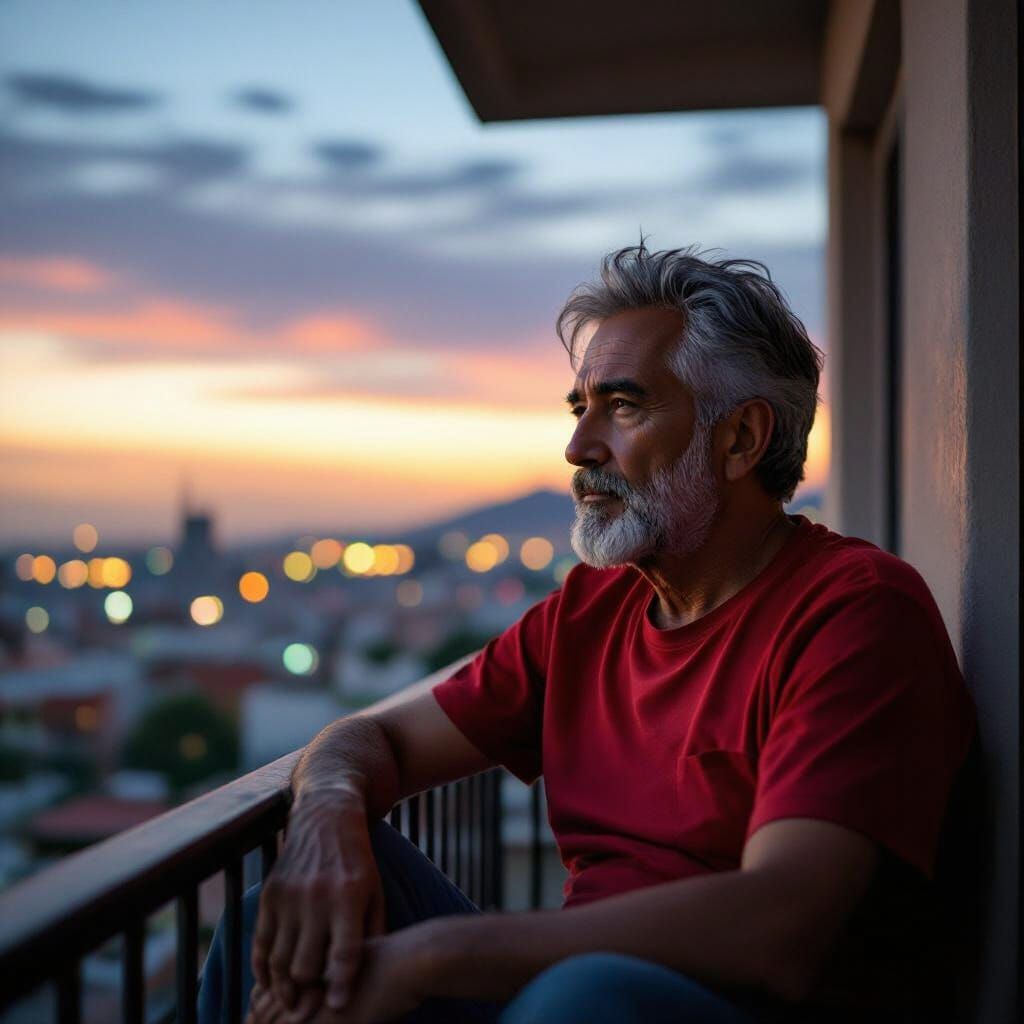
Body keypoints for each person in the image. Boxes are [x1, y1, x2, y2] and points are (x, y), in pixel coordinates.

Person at [200, 244, 975, 1024]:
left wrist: (433, 958)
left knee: (584, 997)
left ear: (741, 439)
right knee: (274, 920)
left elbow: (781, 926)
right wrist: (327, 817)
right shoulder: (589, 611)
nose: (578, 449)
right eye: (581, 410)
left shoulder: (856, 611)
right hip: (569, 999)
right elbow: (377, 740)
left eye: (624, 407)